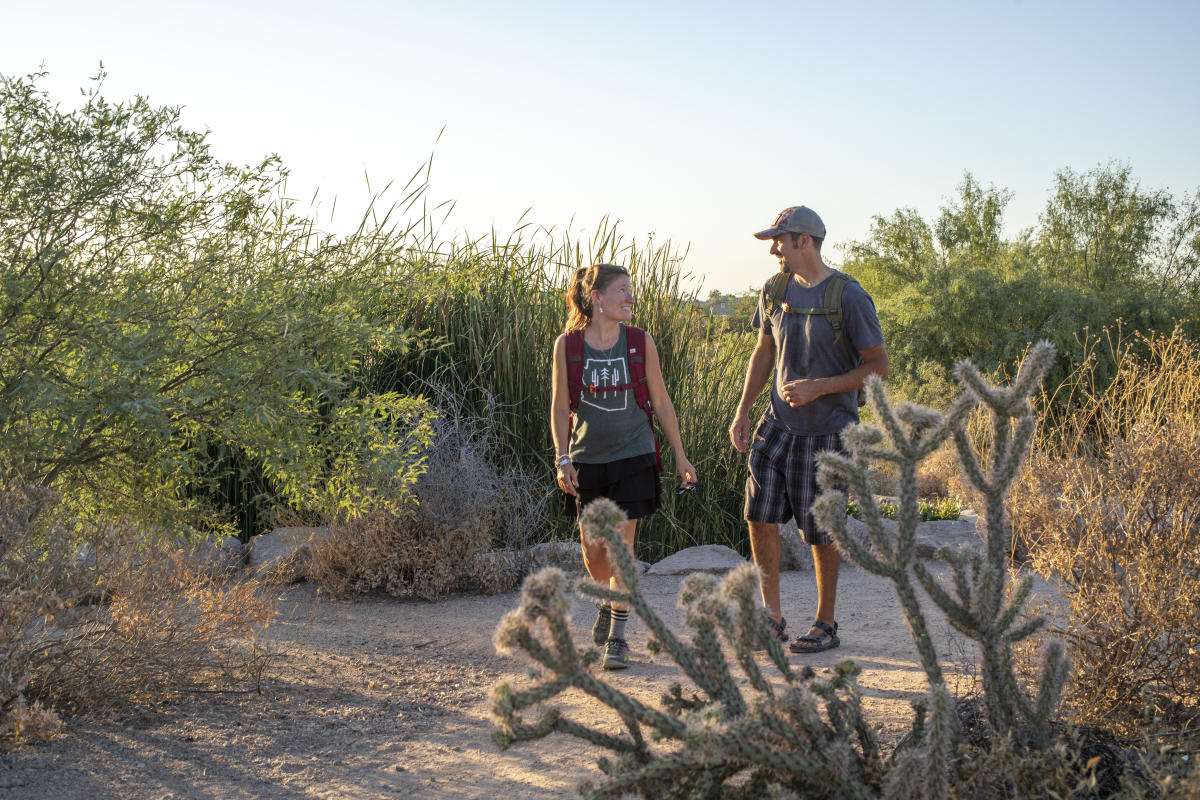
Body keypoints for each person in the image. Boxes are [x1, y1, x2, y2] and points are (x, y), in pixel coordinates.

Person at [729, 206, 889, 653]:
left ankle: (825, 623)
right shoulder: (774, 289)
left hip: (830, 434)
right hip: (776, 424)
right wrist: (743, 410)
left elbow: (879, 367)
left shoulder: (849, 297)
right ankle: (772, 619)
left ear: (805, 241)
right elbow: (763, 353)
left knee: (822, 531)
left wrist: (821, 388)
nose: (774, 249)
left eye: (780, 240)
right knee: (758, 516)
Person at [551, 263, 697, 670]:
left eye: (630, 291)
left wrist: (681, 455)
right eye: (622, 291)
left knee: (622, 547)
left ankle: (617, 638)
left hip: (635, 453)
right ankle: (609, 599)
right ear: (597, 298)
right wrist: (562, 457)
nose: (630, 298)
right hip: (586, 459)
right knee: (594, 552)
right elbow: (561, 405)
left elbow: (662, 402)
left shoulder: (639, 341)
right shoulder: (568, 345)